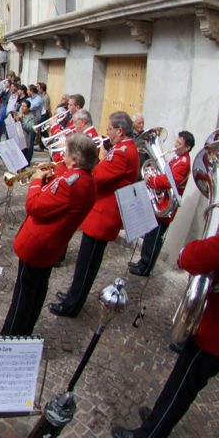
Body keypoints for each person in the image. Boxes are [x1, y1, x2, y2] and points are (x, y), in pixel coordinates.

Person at [112, 146, 219, 438]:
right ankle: (159, 416)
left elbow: (193, 257)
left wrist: (197, 247)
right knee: (181, 379)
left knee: (183, 384)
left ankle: (148, 437)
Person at [0, 134, 98, 336]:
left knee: (24, 294)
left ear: (76, 160)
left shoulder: (69, 184)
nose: (63, 156)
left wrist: (36, 181)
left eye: (67, 154)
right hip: (52, 245)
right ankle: (24, 332)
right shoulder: (86, 181)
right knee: (37, 291)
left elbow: (34, 206)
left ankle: (9, 336)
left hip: (37, 245)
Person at [50, 111, 139, 318]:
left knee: (87, 265)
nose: (106, 132)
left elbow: (98, 176)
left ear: (120, 130)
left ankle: (72, 305)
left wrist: (77, 165)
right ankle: (73, 294)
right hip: (102, 212)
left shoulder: (123, 152)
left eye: (109, 129)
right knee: (84, 261)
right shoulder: (122, 149)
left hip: (104, 215)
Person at [131, 131, 194, 277]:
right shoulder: (177, 159)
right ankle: (142, 262)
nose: (175, 146)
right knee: (149, 234)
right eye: (176, 142)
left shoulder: (184, 163)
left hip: (166, 206)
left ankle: (146, 267)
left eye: (179, 144)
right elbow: (164, 173)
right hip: (160, 203)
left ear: (187, 147)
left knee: (154, 237)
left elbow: (169, 181)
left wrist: (151, 180)